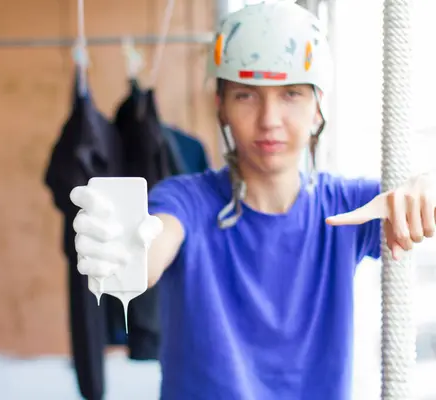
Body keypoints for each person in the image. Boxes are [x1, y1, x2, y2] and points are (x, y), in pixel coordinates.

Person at [69, 2, 435, 399]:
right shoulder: (185, 200)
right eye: (246, 96)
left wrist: (427, 187)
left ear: (317, 108)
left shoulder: (350, 206)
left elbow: (414, 203)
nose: (269, 119)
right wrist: (122, 251)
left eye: (291, 94)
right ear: (220, 106)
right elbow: (153, 244)